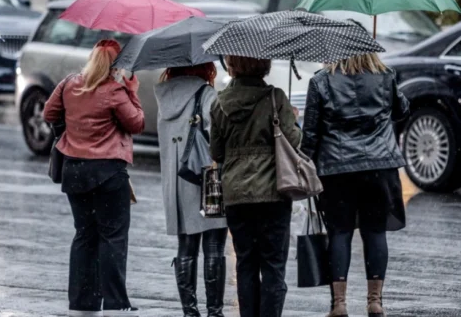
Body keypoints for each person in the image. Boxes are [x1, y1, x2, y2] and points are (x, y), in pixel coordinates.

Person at [300, 53, 409, 317]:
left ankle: (339, 304)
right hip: (379, 166)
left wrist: (304, 164)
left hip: (336, 169)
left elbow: (311, 132)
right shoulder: (386, 76)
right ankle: (375, 301)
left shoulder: (321, 82)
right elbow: (401, 111)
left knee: (340, 233)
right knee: (375, 232)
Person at [43, 39, 144, 317]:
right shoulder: (114, 90)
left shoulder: (69, 83)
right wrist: (132, 91)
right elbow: (136, 122)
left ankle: (82, 303)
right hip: (108, 172)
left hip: (74, 170)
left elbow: (49, 112)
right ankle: (115, 305)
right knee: (112, 237)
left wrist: (74, 126)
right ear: (116, 65)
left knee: (84, 236)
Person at [209, 56, 300, 317]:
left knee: (246, 263)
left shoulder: (220, 103)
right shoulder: (276, 98)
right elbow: (294, 142)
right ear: (264, 65)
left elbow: (217, 151)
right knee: (273, 264)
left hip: (237, 195)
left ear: (232, 66)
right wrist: (292, 119)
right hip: (274, 192)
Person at [154, 63, 228, 317]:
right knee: (215, 245)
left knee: (186, 246)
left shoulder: (163, 97)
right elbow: (219, 134)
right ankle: (215, 312)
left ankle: (190, 312)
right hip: (207, 178)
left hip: (177, 181)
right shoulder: (205, 94)